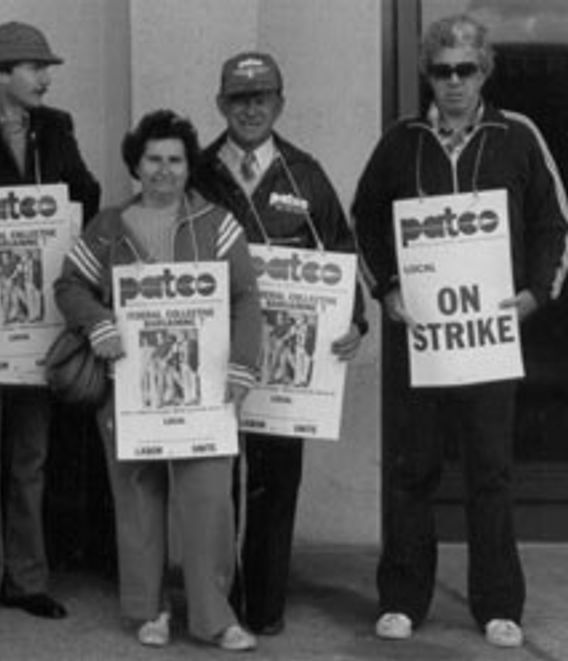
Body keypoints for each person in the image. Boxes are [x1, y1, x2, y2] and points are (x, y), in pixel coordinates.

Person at [352, 14, 568, 649]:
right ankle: (402, 599)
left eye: (464, 70)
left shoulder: (517, 136)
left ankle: (498, 605)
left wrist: (535, 292)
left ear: (484, 71)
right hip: (419, 339)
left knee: (490, 471)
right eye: (442, 70)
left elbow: (554, 225)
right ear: (428, 73)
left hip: (489, 338)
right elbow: (365, 221)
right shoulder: (400, 142)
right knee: (411, 469)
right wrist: (386, 288)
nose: (453, 82)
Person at [55, 110, 262, 652]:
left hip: (204, 389)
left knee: (208, 500)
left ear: (189, 166)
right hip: (129, 387)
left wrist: (243, 366)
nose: (164, 170)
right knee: (138, 499)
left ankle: (215, 617)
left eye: (175, 160)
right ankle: (150, 610)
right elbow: (69, 285)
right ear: (136, 164)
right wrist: (97, 322)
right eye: (153, 159)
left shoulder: (218, 224)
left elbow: (246, 296)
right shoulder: (108, 226)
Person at [193, 51, 367, 636]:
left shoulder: (304, 174)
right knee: (214, 484)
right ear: (221, 104)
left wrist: (354, 321)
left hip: (286, 362)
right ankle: (216, 603)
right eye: (239, 99)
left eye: (261, 98)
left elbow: (340, 251)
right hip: (214, 355)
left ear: (280, 104)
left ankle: (264, 606)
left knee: (276, 480)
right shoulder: (198, 172)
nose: (250, 110)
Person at [0, 20, 100, 626]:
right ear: (1, 74)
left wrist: (51, 222)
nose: (45, 79)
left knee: (30, 459)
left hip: (39, 320)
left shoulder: (56, 127)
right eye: (35, 68)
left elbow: (86, 195)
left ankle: (28, 579)